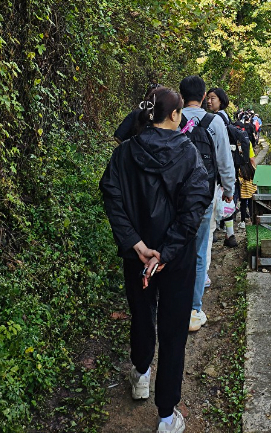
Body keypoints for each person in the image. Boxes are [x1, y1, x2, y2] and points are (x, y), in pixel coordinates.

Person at [100, 86, 211, 433]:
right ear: (175, 115)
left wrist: (136, 244)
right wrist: (167, 251)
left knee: (141, 315)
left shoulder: (124, 155)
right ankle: (166, 416)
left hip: (138, 258)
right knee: (174, 330)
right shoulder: (189, 154)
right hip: (175, 261)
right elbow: (194, 207)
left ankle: (141, 374)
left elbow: (112, 197)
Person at [179, 76, 235, 333]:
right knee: (200, 250)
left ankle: (170, 303)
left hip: (174, 196)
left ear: (181, 97)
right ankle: (193, 309)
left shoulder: (172, 119)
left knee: (176, 247)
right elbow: (224, 161)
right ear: (203, 97)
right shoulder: (214, 122)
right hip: (204, 194)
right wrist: (229, 190)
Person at [206, 87, 257, 231]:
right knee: (229, 195)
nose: (209, 101)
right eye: (208, 98)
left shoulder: (217, 118)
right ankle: (229, 232)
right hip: (231, 161)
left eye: (212, 98)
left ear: (221, 101)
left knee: (223, 195)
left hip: (222, 162)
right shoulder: (225, 117)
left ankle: (225, 231)